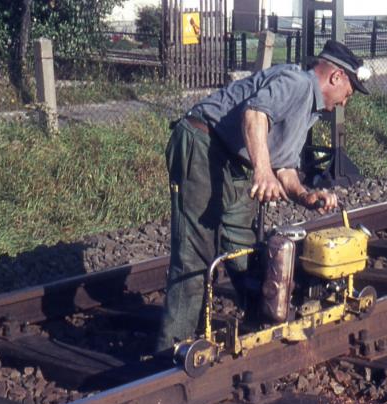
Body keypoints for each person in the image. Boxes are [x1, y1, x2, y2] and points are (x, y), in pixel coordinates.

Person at [155, 39, 371, 354]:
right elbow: (254, 115)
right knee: (196, 252)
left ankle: (261, 325)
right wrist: (262, 172)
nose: (344, 103)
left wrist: (305, 195)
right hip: (202, 144)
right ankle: (172, 350)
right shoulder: (296, 83)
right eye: (348, 94)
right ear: (337, 77)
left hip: (236, 161)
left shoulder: (308, 111)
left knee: (244, 248)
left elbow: (284, 168)